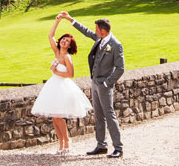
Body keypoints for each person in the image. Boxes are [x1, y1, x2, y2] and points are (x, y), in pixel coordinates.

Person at [58, 11, 125, 158]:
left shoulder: (115, 45)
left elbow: (121, 68)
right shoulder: (99, 39)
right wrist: (70, 20)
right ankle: (101, 145)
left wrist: (108, 82)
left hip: (105, 85)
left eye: (96, 29)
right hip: (94, 83)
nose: (94, 31)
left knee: (109, 115)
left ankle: (118, 148)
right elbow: (86, 32)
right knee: (98, 115)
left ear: (102, 30)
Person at [30, 14, 92, 154]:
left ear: (70, 45)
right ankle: (60, 142)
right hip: (53, 86)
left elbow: (70, 74)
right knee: (54, 117)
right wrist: (57, 21)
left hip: (63, 87)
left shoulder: (67, 57)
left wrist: (55, 72)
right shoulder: (57, 52)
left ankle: (67, 141)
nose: (64, 41)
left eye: (67, 41)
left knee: (59, 116)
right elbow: (50, 36)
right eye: (63, 39)